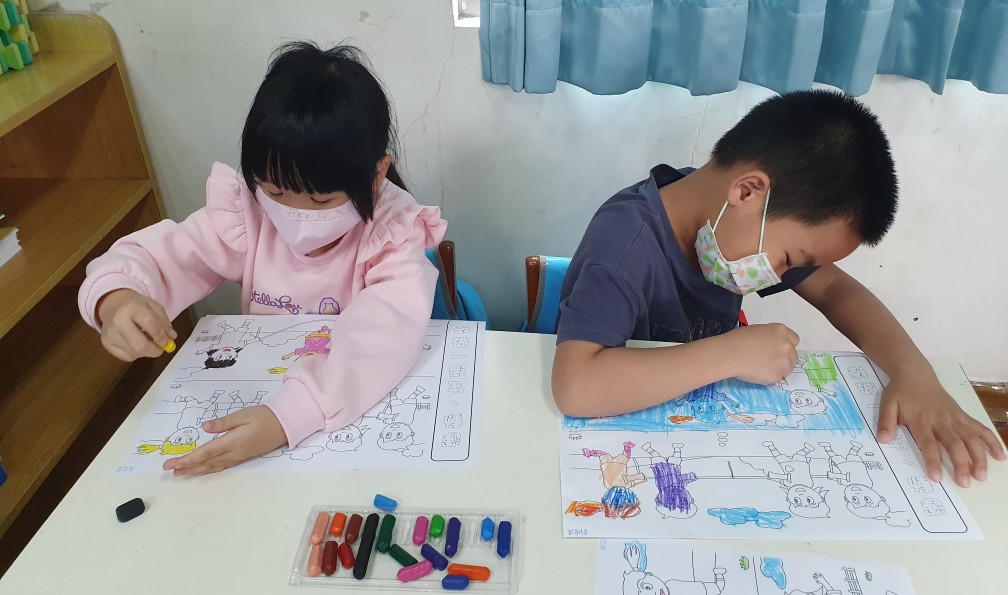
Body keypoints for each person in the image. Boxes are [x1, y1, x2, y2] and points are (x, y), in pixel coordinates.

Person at [552, 90, 1004, 487]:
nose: (779, 275)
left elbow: (837, 290)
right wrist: (730, 354)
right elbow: (576, 386)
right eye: (789, 258)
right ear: (748, 191)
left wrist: (914, 373)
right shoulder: (624, 245)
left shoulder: (720, 211)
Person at [79, 42, 445, 476]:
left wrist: (289, 416)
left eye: (322, 199)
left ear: (377, 173)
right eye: (275, 191)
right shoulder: (245, 215)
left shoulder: (392, 232)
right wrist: (118, 298)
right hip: (260, 395)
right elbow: (165, 255)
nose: (297, 214)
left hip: (336, 416)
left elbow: (383, 334)